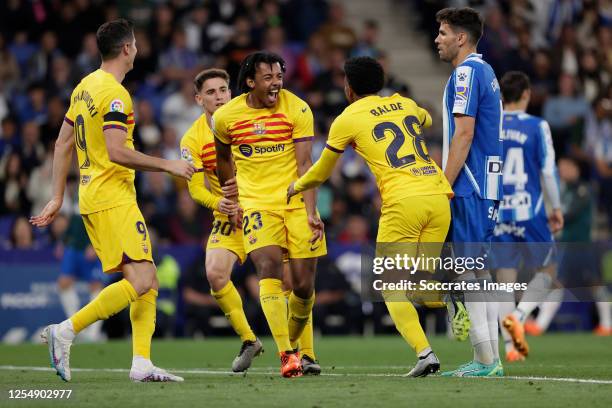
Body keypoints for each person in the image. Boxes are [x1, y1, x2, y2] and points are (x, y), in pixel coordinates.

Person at [30, 19, 194, 383]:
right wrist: (168, 164)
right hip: (111, 195)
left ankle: (141, 363)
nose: (137, 49)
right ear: (127, 49)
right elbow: (118, 151)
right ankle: (66, 331)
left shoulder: (85, 86)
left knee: (146, 278)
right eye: (135, 44)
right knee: (143, 280)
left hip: (93, 194)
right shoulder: (116, 95)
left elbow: (61, 143)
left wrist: (58, 197)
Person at [287, 56, 462, 377]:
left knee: (389, 285)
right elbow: (427, 119)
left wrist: (297, 186)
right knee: (422, 285)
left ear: (349, 87)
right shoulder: (404, 102)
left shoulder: (347, 118)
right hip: (438, 196)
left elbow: (323, 170)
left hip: (403, 202)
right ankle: (453, 294)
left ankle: (425, 353)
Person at [213, 51, 326, 378]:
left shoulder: (298, 108)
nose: (276, 83)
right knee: (269, 268)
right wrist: (230, 194)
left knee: (303, 287)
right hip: (257, 204)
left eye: (279, 76)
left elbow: (306, 166)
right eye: (268, 78)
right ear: (250, 81)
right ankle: (287, 354)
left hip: (294, 201)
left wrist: (310, 212)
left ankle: (296, 346)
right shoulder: (226, 117)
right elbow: (222, 159)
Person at [435, 7, 504, 377]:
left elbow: (464, 133)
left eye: (443, 32)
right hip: (487, 184)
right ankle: (490, 359)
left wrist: (444, 183)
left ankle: (484, 360)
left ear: (461, 38)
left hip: (471, 184)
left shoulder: (465, 74)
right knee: (478, 272)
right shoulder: (486, 71)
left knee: (467, 272)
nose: (438, 39)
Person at [180, 68, 264, 372]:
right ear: (199, 99)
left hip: (263, 208)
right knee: (215, 274)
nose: (220, 96)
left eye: (224, 89)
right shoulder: (192, 139)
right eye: (212, 92)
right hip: (228, 214)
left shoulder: (251, 119)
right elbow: (194, 188)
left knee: (287, 282)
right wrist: (224, 205)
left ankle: (300, 352)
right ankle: (249, 340)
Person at [491, 71, 564, 362]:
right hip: (529, 210)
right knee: (548, 272)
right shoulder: (537, 126)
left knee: (503, 281)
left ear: (501, 97)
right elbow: (547, 171)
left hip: (498, 211)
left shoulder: (489, 125)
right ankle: (520, 316)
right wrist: (555, 207)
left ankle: (510, 349)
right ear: (526, 95)